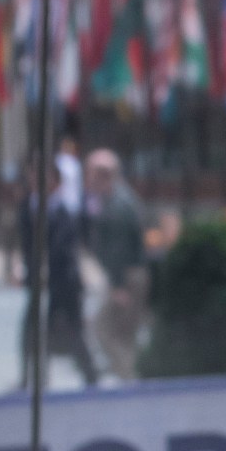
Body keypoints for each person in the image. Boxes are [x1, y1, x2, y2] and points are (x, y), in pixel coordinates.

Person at [19, 181, 97, 387]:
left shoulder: (63, 211)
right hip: (38, 280)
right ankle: (31, 378)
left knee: (71, 330)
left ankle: (90, 375)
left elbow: (64, 249)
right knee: (31, 330)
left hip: (63, 282)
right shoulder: (28, 207)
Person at [83, 149, 149, 383]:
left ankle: (128, 379)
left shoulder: (118, 205)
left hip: (127, 276)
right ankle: (128, 379)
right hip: (130, 275)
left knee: (104, 330)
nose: (87, 179)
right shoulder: (117, 199)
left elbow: (118, 249)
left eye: (90, 173)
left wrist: (118, 285)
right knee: (124, 334)